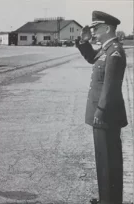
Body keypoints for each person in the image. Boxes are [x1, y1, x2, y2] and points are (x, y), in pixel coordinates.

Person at [75, 11, 127, 204]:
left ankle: (110, 201)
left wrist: (100, 111)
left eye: (96, 28)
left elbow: (110, 87)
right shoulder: (106, 50)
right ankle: (108, 199)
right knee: (104, 160)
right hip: (104, 115)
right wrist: (83, 41)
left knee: (108, 161)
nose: (93, 32)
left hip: (106, 115)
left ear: (107, 28)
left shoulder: (114, 52)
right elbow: (91, 58)